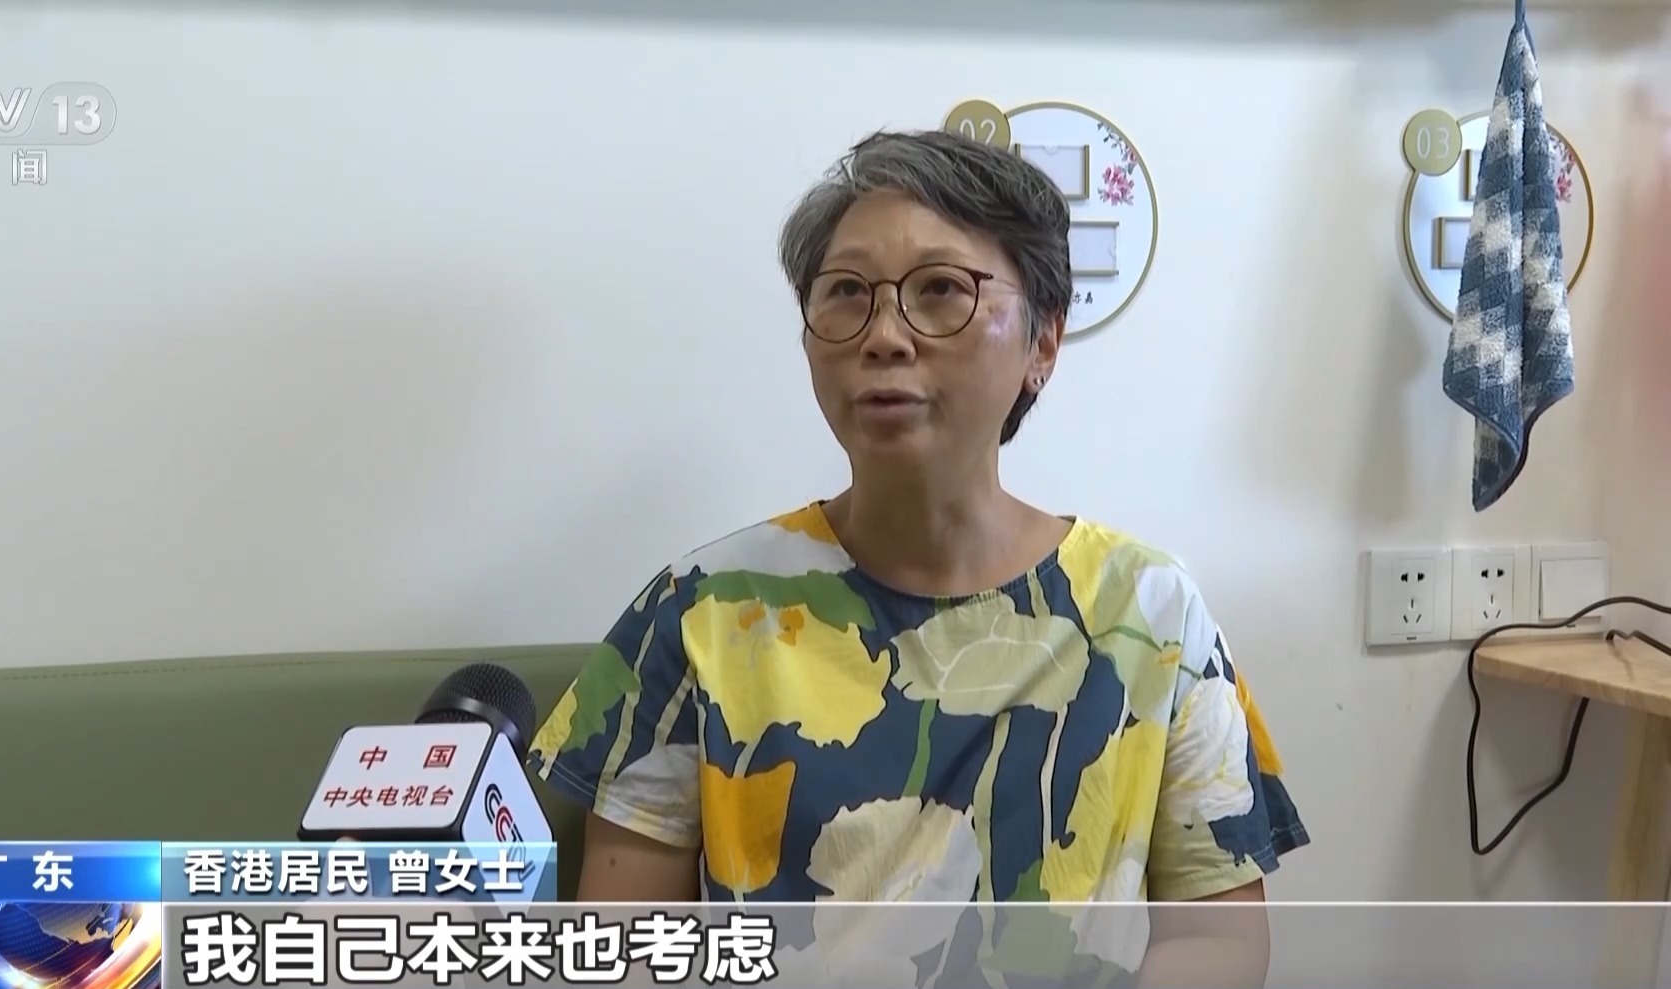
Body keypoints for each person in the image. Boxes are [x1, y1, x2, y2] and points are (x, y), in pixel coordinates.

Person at [525, 129, 1308, 984]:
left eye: (941, 290)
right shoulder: (702, 610)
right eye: (846, 293)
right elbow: (627, 943)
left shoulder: (1151, 612)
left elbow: (1215, 935)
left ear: (1043, 343)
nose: (885, 336)